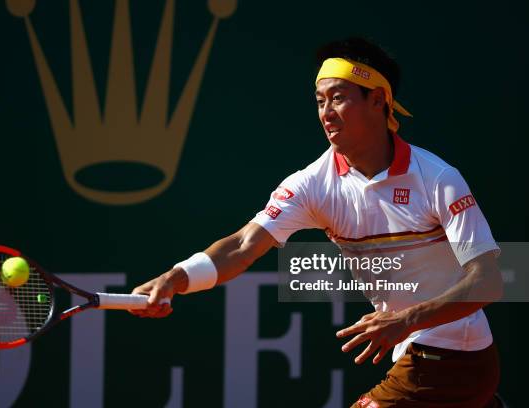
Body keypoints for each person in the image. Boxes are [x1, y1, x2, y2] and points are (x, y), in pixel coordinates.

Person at [130, 37, 504, 407]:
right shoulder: (311, 185)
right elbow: (243, 245)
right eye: (321, 101)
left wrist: (407, 320)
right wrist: (176, 278)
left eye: (339, 98)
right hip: (423, 357)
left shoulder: (438, 178)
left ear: (378, 100)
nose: (326, 113)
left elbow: (488, 280)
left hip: (453, 355)